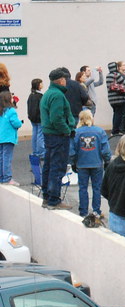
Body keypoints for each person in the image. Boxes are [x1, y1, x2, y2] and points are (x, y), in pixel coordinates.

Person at [41, 68, 75, 210]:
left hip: (49, 135)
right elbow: (57, 118)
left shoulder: (48, 93)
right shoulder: (58, 95)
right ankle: (54, 200)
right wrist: (67, 131)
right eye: (65, 79)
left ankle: (47, 197)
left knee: (48, 166)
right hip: (58, 136)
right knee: (57, 167)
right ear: (61, 80)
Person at [70, 110, 110, 219]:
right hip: (96, 163)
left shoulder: (76, 132)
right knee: (97, 188)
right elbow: (105, 149)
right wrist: (107, 160)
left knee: (83, 188)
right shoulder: (100, 131)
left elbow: (72, 150)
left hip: (82, 163)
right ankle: (96, 211)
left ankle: (83, 211)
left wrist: (73, 162)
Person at [0, 90, 21, 185]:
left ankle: (1, 177)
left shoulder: (1, 110)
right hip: (8, 137)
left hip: (1, 137)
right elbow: (16, 123)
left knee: (1, 157)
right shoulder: (11, 111)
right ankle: (7, 178)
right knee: (7, 158)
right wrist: (20, 123)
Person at [26, 78, 44, 186]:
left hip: (32, 118)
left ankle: (35, 151)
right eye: (41, 83)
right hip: (39, 118)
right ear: (38, 85)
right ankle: (41, 152)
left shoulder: (31, 95)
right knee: (40, 135)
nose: (42, 85)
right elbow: (41, 108)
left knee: (35, 134)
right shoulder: (40, 96)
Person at [106, 61, 125, 135]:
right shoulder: (117, 75)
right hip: (119, 99)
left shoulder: (108, 76)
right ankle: (115, 130)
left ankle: (114, 130)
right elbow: (124, 82)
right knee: (119, 114)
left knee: (115, 114)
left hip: (111, 99)